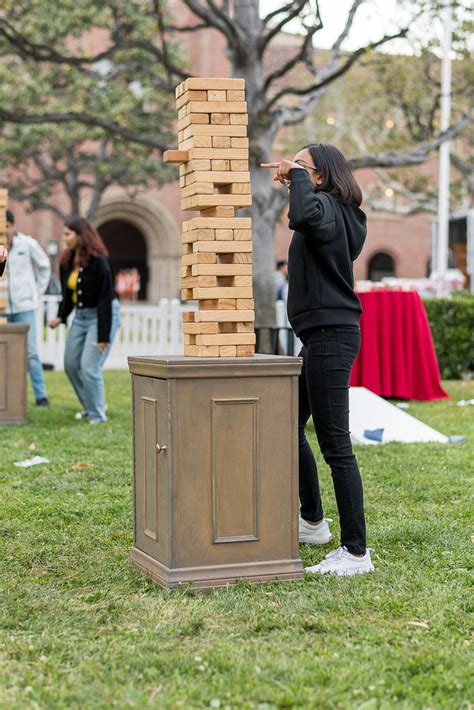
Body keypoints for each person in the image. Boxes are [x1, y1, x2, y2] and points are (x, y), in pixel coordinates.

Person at [262, 143, 374, 577]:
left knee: (335, 445)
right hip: (319, 336)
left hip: (331, 335)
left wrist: (300, 180)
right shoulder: (332, 209)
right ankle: (312, 522)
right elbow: (304, 215)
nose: (292, 168)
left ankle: (356, 553)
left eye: (301, 164)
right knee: (288, 424)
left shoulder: (327, 209)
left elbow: (303, 216)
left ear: (322, 176)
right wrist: (298, 179)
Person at [48, 216, 121, 423]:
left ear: (81, 235)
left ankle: (97, 415)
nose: (65, 239)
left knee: (89, 367)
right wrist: (60, 317)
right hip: (80, 317)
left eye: (68, 235)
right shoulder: (66, 261)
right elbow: (68, 295)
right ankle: (90, 407)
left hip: (102, 315)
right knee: (71, 364)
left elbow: (105, 300)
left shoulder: (99, 262)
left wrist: (103, 336)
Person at [5, 210, 51, 406]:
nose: (4, 230)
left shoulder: (28, 244)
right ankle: (7, 395)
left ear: (12, 225)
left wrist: (37, 294)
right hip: (2, 308)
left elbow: (44, 266)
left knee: (31, 352)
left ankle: (40, 395)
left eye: (7, 226)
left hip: (25, 307)